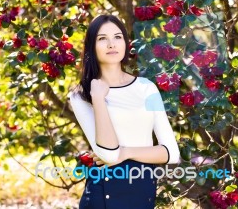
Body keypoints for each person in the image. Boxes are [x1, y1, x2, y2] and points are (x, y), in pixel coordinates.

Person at [68, 15, 180, 208]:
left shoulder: (147, 88)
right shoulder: (82, 95)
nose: (112, 44)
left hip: (142, 190)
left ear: (126, 44)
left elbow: (171, 153)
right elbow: (109, 155)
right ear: (91, 47)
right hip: (103, 194)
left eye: (117, 37)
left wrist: (125, 152)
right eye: (102, 38)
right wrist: (98, 99)